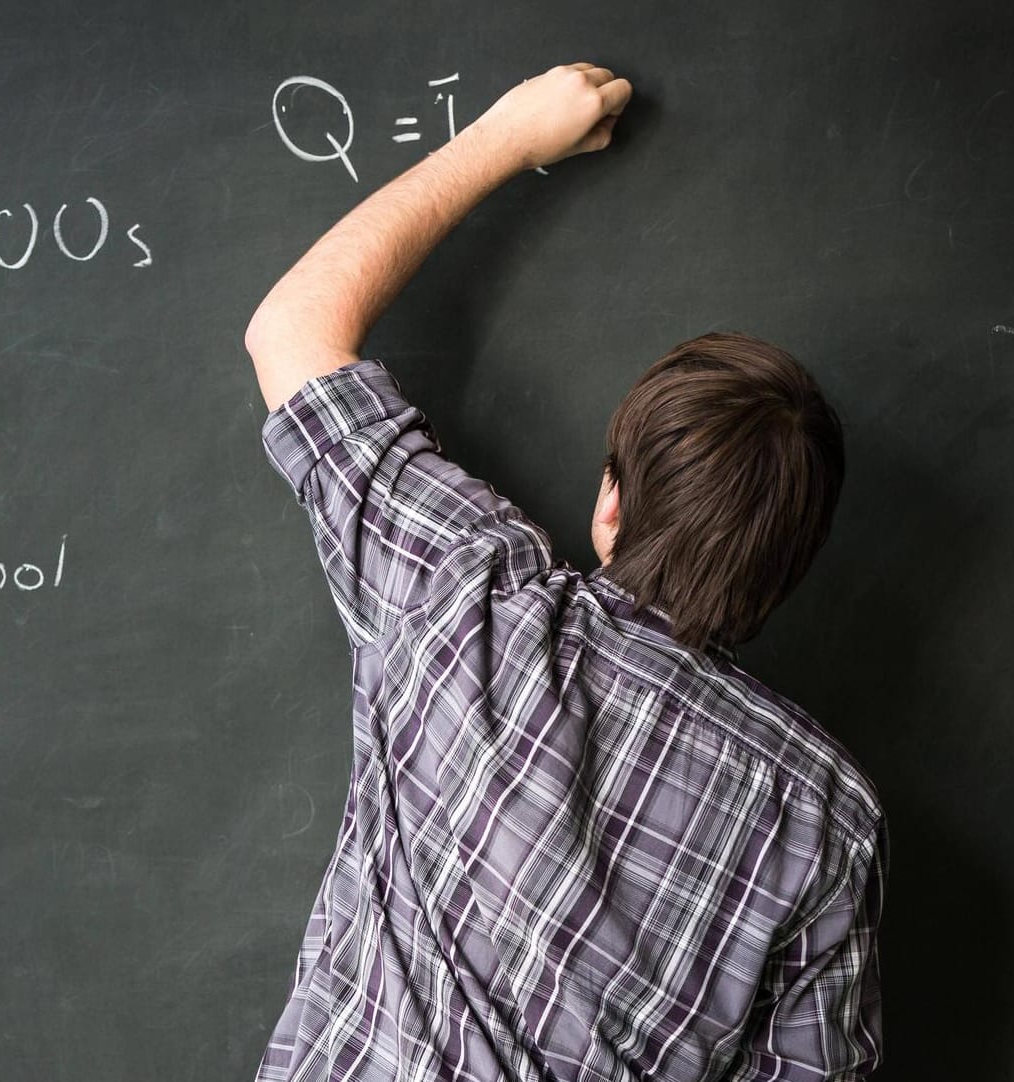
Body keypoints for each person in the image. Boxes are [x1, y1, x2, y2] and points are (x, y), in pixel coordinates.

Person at [244, 63, 886, 1082]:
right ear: (782, 573)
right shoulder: (825, 818)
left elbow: (291, 334)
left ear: (611, 504)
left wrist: (506, 134)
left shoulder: (468, 595)